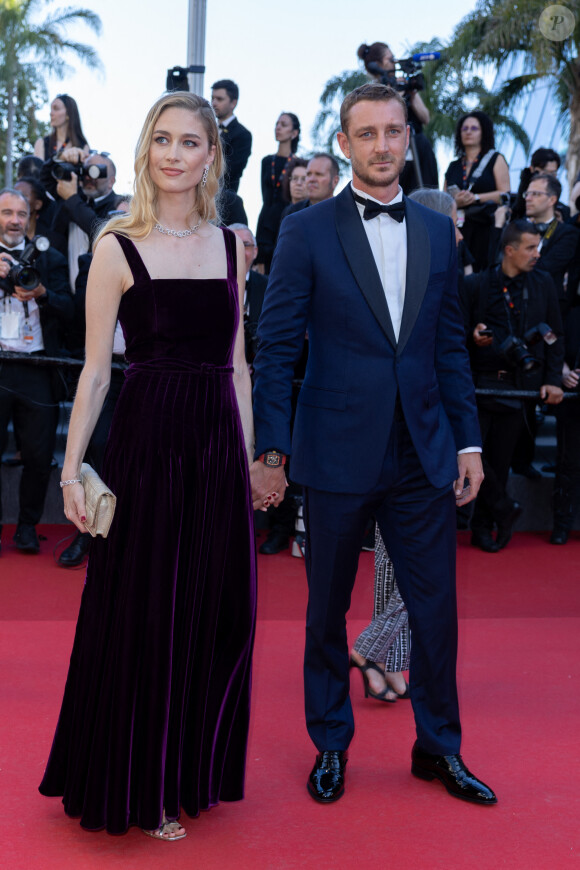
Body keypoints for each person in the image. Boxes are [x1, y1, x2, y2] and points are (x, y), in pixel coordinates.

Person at [251, 83, 496, 805]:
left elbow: (449, 346)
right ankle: (331, 743)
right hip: (332, 448)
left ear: (407, 140)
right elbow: (275, 348)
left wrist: (469, 443)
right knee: (326, 609)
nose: (384, 145)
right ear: (347, 141)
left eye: (395, 132)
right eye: (368, 134)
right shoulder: (307, 230)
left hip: (423, 450)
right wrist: (272, 448)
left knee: (436, 612)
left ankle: (438, 748)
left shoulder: (433, 231)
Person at [38, 91, 257, 839]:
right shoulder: (116, 244)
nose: (173, 154)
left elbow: (238, 367)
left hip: (214, 445)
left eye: (189, 142)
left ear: (211, 155)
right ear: (146, 148)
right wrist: (71, 475)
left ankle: (189, 769)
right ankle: (139, 782)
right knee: (146, 608)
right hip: (147, 440)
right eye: (161, 139)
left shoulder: (235, 245)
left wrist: (249, 459)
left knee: (211, 608)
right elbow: (96, 372)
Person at [463, 220, 564, 552]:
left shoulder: (543, 283)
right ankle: (504, 509)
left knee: (501, 461)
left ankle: (486, 525)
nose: (537, 254)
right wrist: (473, 338)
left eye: (539, 247)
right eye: (531, 248)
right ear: (510, 250)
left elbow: (554, 337)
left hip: (519, 390)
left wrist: (551, 381)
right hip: (478, 386)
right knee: (472, 456)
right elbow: (454, 337)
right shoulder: (477, 284)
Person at [0, 189, 72, 555]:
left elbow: (70, 311)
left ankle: (27, 526)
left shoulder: (51, 257)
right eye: (6, 212)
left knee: (39, 455)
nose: (14, 220)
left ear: (30, 218)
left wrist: (41, 292)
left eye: (20, 213)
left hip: (36, 367)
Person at [358, 41, 438, 193]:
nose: (394, 63)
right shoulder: (370, 94)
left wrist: (411, 94)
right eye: (390, 59)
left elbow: (425, 118)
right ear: (377, 64)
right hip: (392, 150)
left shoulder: (403, 85)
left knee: (427, 194)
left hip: (417, 146)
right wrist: (394, 97)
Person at [445, 110, 510, 272]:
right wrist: (455, 201)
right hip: (459, 230)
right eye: (464, 128)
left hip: (485, 229)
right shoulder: (453, 166)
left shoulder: (496, 159)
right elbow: (443, 198)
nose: (468, 132)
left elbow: (506, 195)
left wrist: (475, 197)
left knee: (482, 276)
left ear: (484, 132)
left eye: (474, 128)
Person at [51, 151, 119, 286]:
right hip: (67, 295)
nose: (89, 177)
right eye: (86, 171)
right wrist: (61, 159)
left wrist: (72, 199)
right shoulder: (71, 201)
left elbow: (101, 231)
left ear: (111, 181)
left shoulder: (119, 205)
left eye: (97, 171)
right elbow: (43, 182)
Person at [255, 112, 300, 273]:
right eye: (277, 124)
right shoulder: (267, 162)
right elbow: (264, 194)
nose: (278, 128)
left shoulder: (298, 164)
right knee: (261, 271)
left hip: (286, 220)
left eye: (284, 125)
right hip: (265, 219)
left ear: (294, 133)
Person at [211, 79, 252, 193]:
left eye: (219, 99)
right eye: (213, 98)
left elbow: (230, 171)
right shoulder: (206, 129)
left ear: (233, 103)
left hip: (224, 196)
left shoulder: (242, 134)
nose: (214, 103)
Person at [281, 153, 340, 219]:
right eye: (308, 174)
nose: (311, 179)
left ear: (335, 181)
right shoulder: (292, 213)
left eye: (319, 174)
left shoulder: (346, 214)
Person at [34, 94, 90, 161]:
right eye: (51, 109)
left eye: (56, 109)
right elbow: (39, 170)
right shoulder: (42, 143)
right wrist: (61, 158)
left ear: (68, 114)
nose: (51, 113)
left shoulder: (83, 146)